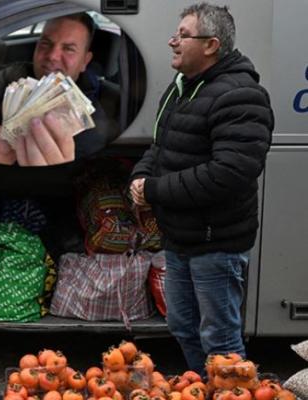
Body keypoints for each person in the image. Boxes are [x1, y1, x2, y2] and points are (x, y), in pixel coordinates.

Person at [128, 3, 273, 375]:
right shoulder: (183, 89)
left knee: (220, 340)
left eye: (183, 34)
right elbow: (160, 146)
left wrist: (156, 189)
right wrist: (139, 179)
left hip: (216, 243)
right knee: (184, 328)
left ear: (211, 45)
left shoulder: (241, 95)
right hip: (181, 239)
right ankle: (203, 390)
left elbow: (229, 173)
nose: (172, 41)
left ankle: (231, 393)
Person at [0, 12, 119, 166]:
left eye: (68, 49)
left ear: (85, 62)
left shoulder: (93, 119)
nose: (52, 56)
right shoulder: (15, 73)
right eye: (46, 44)